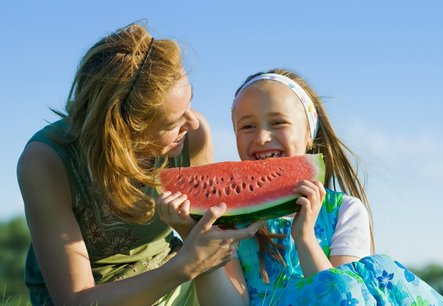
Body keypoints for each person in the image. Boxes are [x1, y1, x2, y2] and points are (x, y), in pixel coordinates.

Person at [16, 22, 262, 306]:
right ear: (123, 129)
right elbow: (75, 300)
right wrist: (185, 266)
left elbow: (207, 238)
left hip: (170, 275)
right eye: (173, 121)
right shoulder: (45, 162)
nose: (192, 122)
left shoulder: (194, 136)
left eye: (189, 104)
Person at [227, 68, 443, 305]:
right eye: (247, 126)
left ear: (308, 134)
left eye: (278, 122)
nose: (262, 137)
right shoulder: (229, 220)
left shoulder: (344, 211)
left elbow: (345, 296)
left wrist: (305, 237)